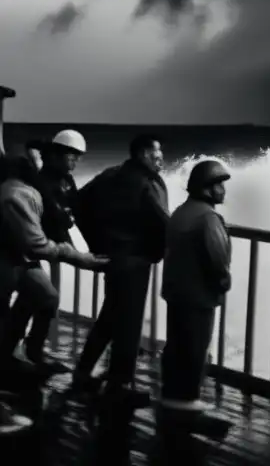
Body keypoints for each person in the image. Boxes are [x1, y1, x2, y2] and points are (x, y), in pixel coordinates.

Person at [71, 134, 169, 407]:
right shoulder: (147, 183)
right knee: (129, 323)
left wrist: (96, 243)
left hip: (113, 258)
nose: (161, 160)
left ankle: (83, 370)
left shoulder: (109, 175)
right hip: (136, 260)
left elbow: (77, 203)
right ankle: (120, 384)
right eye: (157, 154)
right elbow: (162, 223)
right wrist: (159, 250)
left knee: (111, 316)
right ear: (143, 155)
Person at [0, 156, 108, 388]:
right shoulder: (17, 194)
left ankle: (25, 352)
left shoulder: (18, 191)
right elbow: (36, 243)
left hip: (17, 257)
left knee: (45, 296)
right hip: (11, 258)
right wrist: (78, 256)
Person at [4, 130, 88, 374]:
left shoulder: (66, 180)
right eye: (72, 155)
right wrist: (72, 252)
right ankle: (12, 355)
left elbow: (75, 210)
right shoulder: (39, 182)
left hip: (31, 250)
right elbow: (52, 214)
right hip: (22, 248)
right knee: (34, 297)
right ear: (57, 155)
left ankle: (28, 350)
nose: (75, 161)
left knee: (44, 297)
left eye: (78, 156)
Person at [159, 159, 232, 418]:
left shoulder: (181, 211)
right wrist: (224, 282)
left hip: (176, 291)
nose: (223, 190)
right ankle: (187, 398)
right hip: (198, 294)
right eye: (220, 185)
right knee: (196, 346)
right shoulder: (208, 218)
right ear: (207, 188)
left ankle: (171, 393)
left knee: (177, 343)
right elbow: (217, 258)